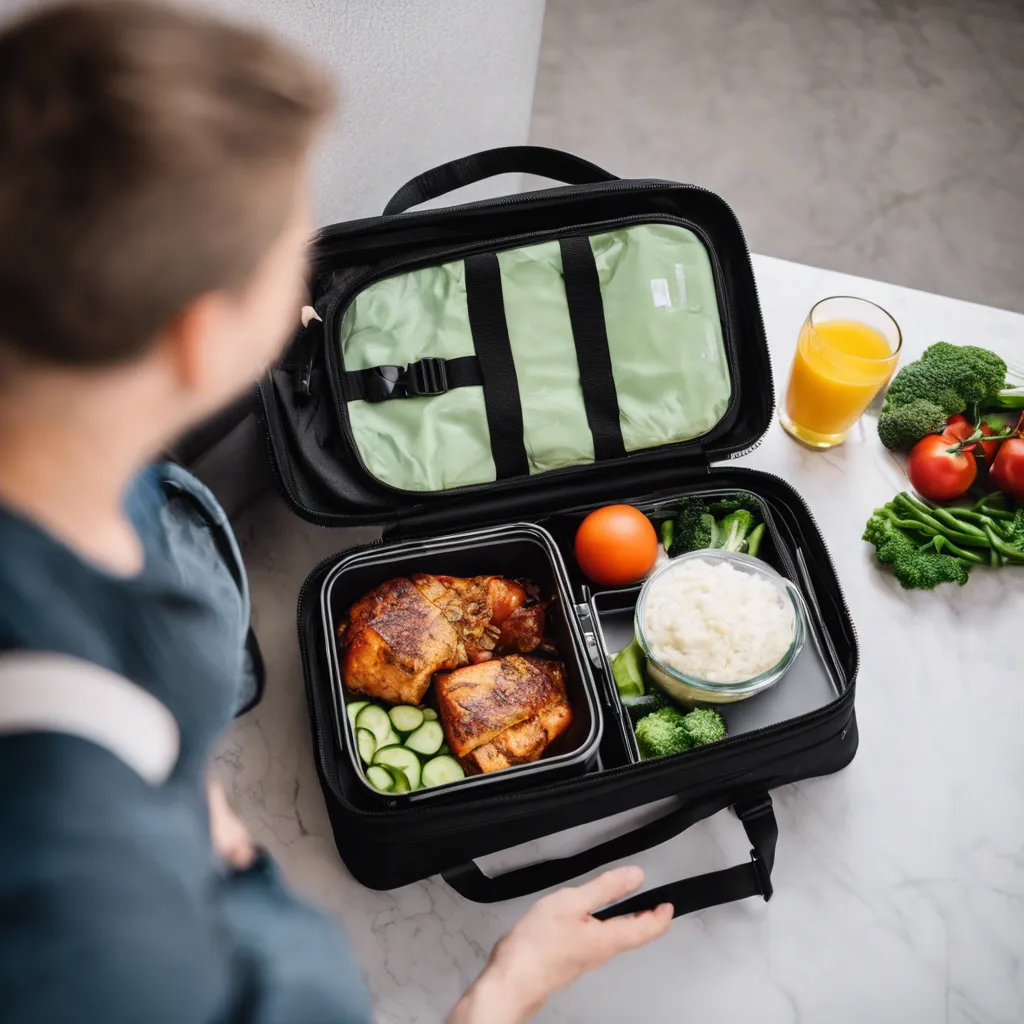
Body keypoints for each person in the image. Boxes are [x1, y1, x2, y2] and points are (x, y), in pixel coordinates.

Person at [0, 2, 673, 1023]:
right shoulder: (103, 919)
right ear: (198, 337)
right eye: (290, 255)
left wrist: (187, 797)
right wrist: (506, 988)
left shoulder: (93, 516)